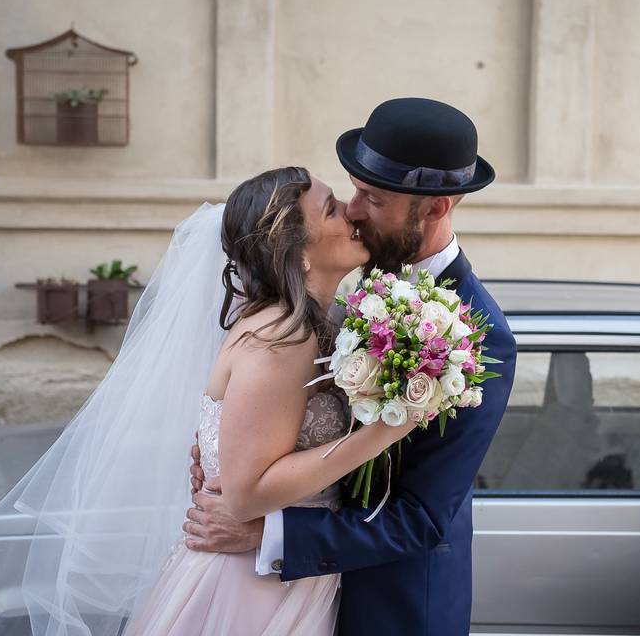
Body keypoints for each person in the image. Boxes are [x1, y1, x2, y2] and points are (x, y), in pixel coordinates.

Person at [0, 166, 415, 636]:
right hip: (250, 587)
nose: (351, 216)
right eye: (331, 210)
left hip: (283, 571)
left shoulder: (314, 326)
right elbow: (246, 493)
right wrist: (387, 430)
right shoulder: (282, 337)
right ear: (298, 253)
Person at [183, 98, 519, 636]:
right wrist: (221, 454)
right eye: (352, 191)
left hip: (390, 607)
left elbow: (423, 517)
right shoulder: (347, 279)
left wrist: (271, 535)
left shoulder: (480, 336)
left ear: (436, 208)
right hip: (291, 594)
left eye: (374, 198)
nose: (355, 210)